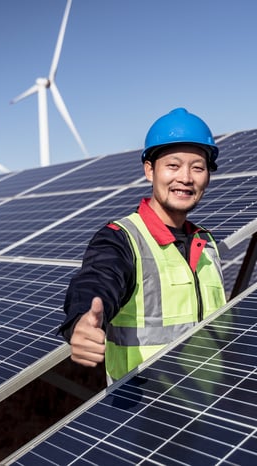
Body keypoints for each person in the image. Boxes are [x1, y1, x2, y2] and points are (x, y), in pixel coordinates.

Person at [59, 107, 227, 383]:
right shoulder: (121, 239)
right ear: (150, 170)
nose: (185, 178)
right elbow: (97, 280)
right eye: (173, 166)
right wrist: (81, 320)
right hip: (142, 410)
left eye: (197, 167)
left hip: (206, 401)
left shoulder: (206, 242)